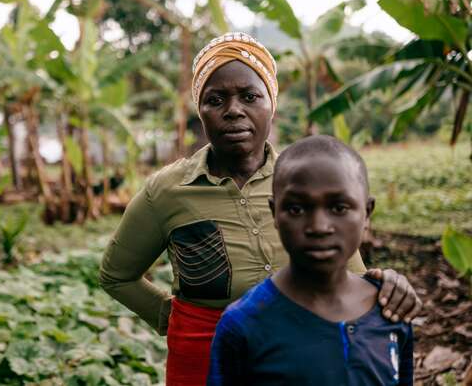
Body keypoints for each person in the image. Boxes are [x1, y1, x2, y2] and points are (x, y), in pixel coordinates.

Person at [99, 32, 421, 385]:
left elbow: (350, 271)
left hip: (294, 347)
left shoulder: (303, 181)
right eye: (216, 99)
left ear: (272, 103)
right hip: (201, 356)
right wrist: (171, 317)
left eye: (250, 96)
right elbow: (117, 275)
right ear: (200, 110)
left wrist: (385, 284)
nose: (233, 110)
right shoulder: (168, 190)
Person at [207, 135, 413, 385]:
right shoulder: (244, 323)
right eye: (296, 209)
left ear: (367, 213)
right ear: (275, 213)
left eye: (339, 208)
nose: (319, 226)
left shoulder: (390, 310)